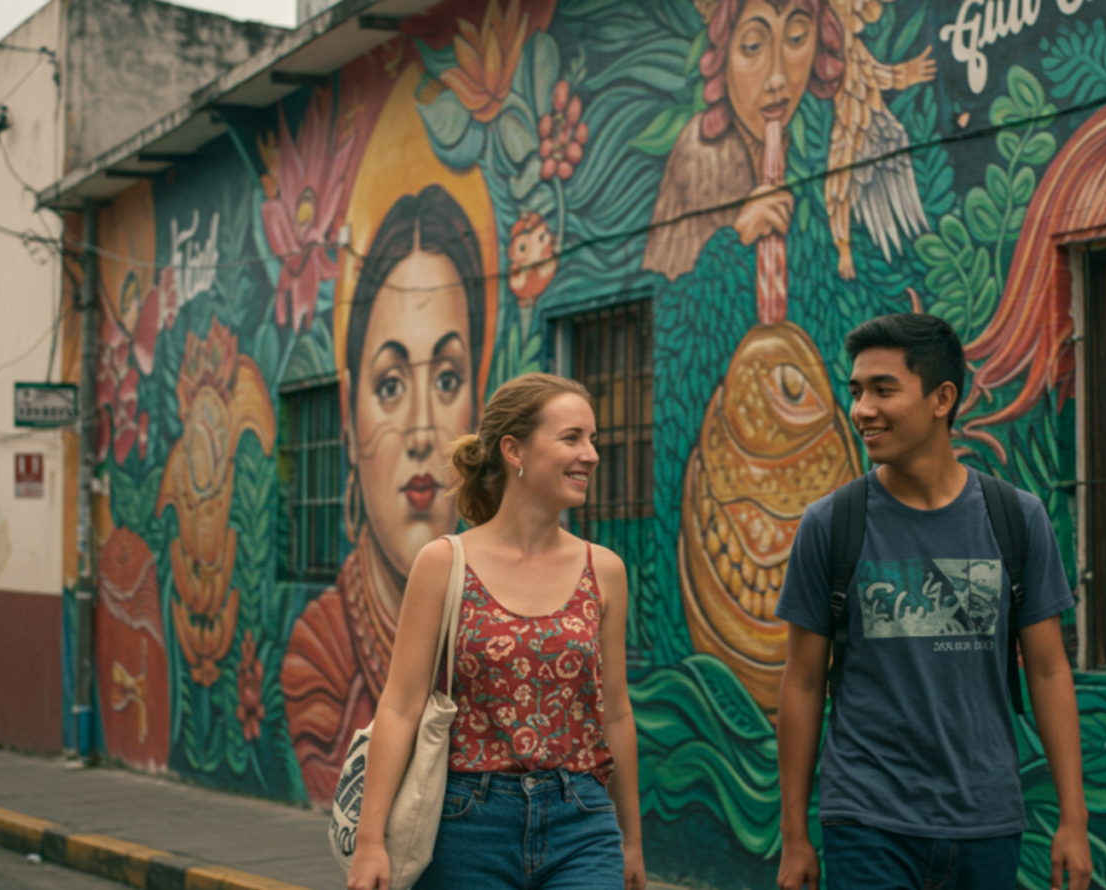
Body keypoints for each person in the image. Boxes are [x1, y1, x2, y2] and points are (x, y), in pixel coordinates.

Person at [774, 314, 1092, 890]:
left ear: (942, 398)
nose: (862, 409)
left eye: (883, 390)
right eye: (856, 391)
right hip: (867, 817)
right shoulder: (830, 525)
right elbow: (800, 682)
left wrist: (1074, 819)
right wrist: (794, 834)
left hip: (987, 817)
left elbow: (1047, 671)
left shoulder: (1016, 519)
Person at [347, 373, 646, 890]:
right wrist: (371, 840)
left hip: (582, 818)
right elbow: (399, 706)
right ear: (514, 450)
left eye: (592, 439)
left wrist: (631, 840)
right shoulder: (444, 563)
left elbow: (615, 710)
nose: (592, 454)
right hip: (466, 825)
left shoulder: (606, 571)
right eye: (572, 437)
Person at [282, 183, 489, 806]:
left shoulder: (500, 604)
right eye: (391, 384)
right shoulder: (321, 663)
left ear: (478, 399)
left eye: (448, 377)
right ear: (349, 414)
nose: (424, 432)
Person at [641, 0, 844, 280]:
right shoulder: (702, 153)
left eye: (796, 38)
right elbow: (670, 303)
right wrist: (738, 238)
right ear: (723, 58)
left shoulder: (829, 136)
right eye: (752, 46)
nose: (776, 79)